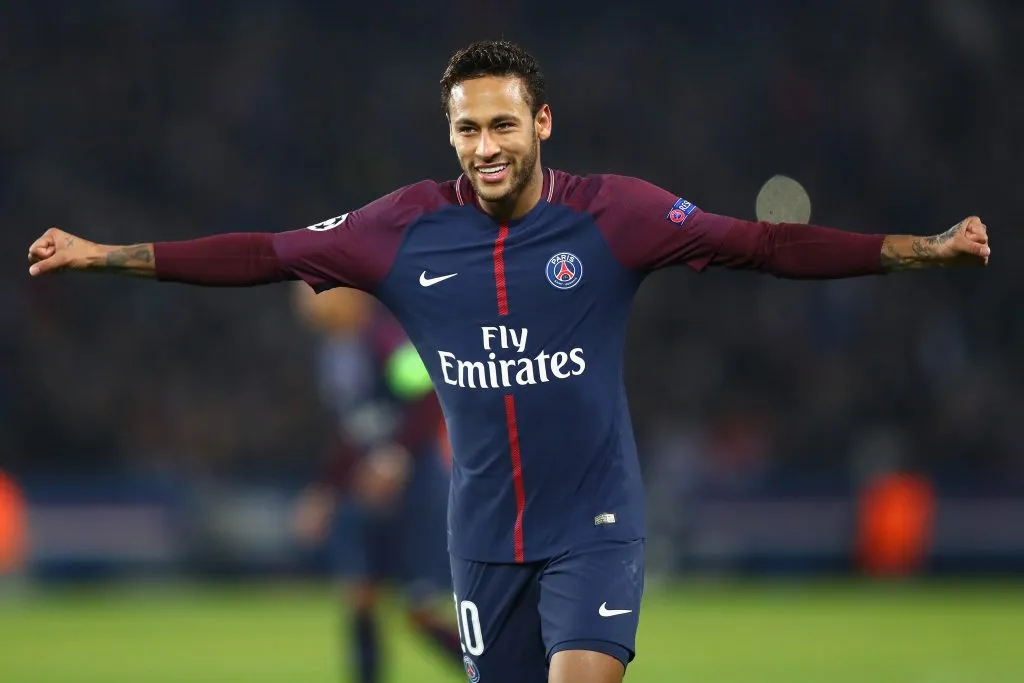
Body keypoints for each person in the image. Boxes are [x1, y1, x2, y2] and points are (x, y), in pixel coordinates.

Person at [26, 39, 989, 683]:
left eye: (501, 124)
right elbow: (264, 254)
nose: (484, 146)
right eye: (467, 128)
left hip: (595, 524)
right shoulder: (401, 230)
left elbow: (765, 244)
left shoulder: (616, 214)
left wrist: (919, 249)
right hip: (483, 538)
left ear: (542, 123)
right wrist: (107, 256)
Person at [290, 283, 462, 682]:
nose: (304, 302)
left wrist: (397, 453)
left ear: (347, 294)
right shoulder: (333, 351)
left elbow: (428, 396)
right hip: (365, 493)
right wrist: (325, 490)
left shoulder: (387, 339)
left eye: (311, 290)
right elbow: (350, 432)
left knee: (422, 611)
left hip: (415, 491)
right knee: (359, 595)